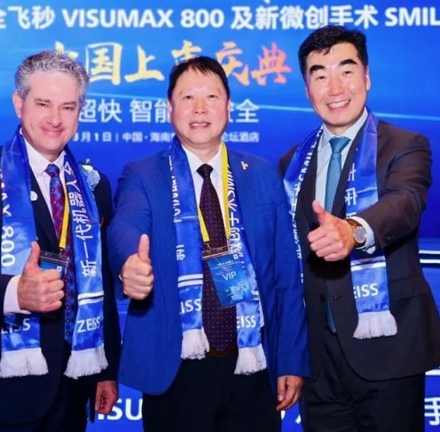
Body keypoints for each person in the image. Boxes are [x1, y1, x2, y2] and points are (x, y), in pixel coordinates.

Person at [108, 56, 309, 432]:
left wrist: (292, 360)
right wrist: (129, 262)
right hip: (177, 369)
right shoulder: (143, 174)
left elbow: (286, 275)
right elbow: (126, 225)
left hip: (252, 365)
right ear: (169, 109)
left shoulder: (262, 174)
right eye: (187, 98)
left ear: (229, 107)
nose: (200, 108)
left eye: (211, 97)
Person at [279, 25, 440, 431]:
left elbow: (405, 202)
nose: (335, 87)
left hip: (388, 349)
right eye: (320, 75)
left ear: (367, 77)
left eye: (346, 71)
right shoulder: (291, 164)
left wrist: (355, 230)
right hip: (318, 361)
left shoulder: (404, 145)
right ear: (307, 89)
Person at [0, 51, 121, 432]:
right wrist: (16, 294)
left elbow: (98, 279)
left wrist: (106, 369)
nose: (56, 119)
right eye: (43, 104)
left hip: (72, 383)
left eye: (68, 107)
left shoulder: (93, 185)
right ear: (19, 104)